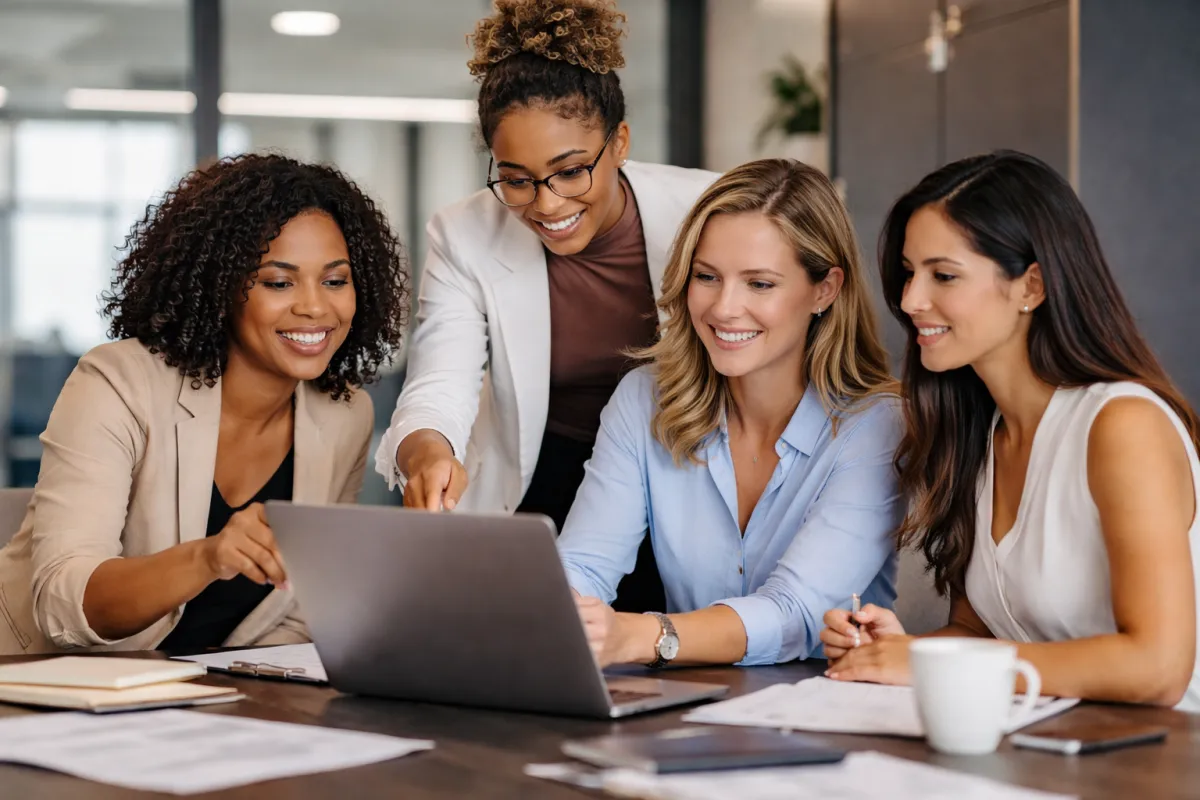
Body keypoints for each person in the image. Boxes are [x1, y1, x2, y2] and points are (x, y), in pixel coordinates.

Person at [821, 151, 1200, 711]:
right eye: (908, 272)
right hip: (1045, 749)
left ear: (1032, 287)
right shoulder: (979, 431)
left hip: (1158, 764)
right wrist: (898, 652)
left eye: (943, 275)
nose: (909, 300)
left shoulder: (1123, 425)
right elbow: (979, 636)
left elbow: (1159, 667)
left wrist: (924, 666)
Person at [375, 0, 716, 612]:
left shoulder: (706, 210)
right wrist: (428, 450)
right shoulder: (463, 234)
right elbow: (440, 381)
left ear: (620, 144)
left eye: (570, 171)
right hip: (541, 474)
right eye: (516, 179)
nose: (547, 203)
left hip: (681, 469)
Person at [0, 154, 409, 655]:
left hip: (210, 701)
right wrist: (209, 558)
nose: (315, 307)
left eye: (335, 280)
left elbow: (298, 607)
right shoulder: (117, 382)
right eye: (278, 282)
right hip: (38, 682)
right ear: (219, 287)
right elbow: (63, 604)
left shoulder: (345, 414)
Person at [559, 158, 903, 668]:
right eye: (707, 276)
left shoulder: (876, 426)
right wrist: (561, 614)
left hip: (826, 713)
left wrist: (640, 636)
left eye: (759, 284)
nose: (723, 308)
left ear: (825, 290)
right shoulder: (643, 400)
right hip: (682, 707)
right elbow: (582, 567)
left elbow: (792, 612)